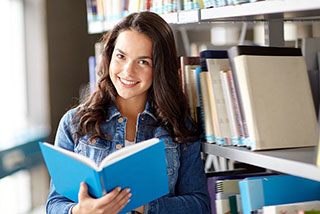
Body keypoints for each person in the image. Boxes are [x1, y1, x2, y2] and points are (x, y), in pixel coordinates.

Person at [46, 11, 211, 214]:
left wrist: (142, 206)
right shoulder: (74, 123)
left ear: (159, 67)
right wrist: (80, 211)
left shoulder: (179, 127)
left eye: (143, 62)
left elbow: (199, 206)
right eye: (121, 56)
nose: (127, 71)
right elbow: (54, 204)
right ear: (109, 56)